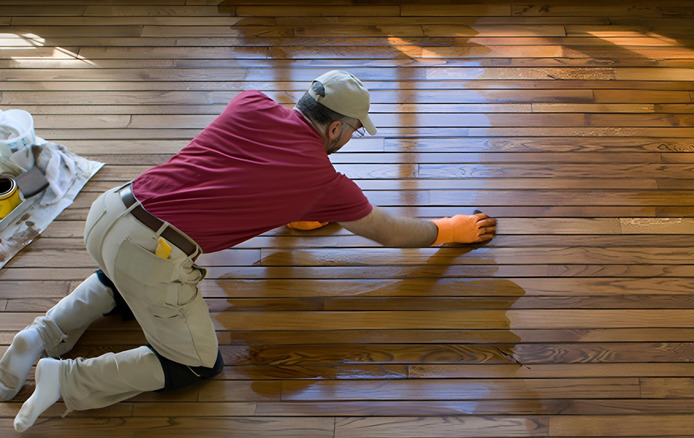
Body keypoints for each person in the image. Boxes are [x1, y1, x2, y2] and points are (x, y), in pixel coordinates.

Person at [0, 70, 497, 432]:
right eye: (352, 131)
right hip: (151, 252)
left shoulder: (249, 103)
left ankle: (39, 335)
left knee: (120, 279)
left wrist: (296, 209)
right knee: (194, 365)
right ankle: (64, 378)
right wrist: (449, 230)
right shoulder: (324, 179)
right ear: (337, 129)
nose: (349, 140)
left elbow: (242, 171)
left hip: (110, 212)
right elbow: (390, 234)